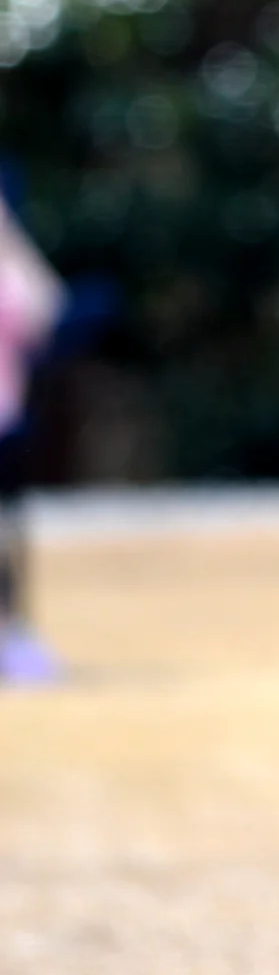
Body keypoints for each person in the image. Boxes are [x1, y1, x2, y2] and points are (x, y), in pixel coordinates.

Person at [0, 189, 66, 685]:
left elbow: (45, 308)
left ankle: (12, 633)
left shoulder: (9, 268)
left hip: (5, 419)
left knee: (9, 538)